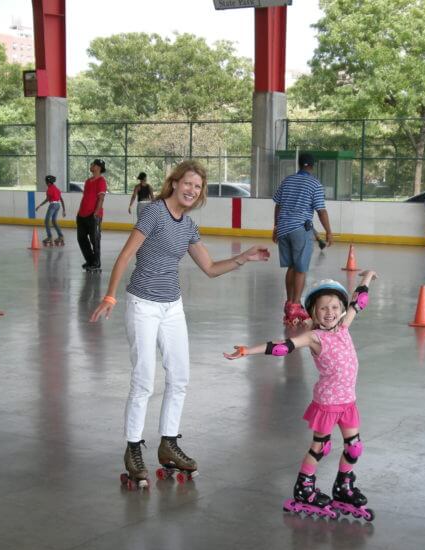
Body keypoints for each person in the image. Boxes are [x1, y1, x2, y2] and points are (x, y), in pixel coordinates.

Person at [90, 160, 270, 489]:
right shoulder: (154, 213)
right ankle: (133, 450)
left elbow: (211, 268)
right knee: (144, 379)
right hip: (142, 304)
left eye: (198, 187)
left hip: (172, 307)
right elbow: (125, 256)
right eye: (188, 183)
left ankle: (168, 443)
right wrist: (110, 296)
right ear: (174, 183)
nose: (192, 190)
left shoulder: (187, 226)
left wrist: (243, 257)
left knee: (180, 377)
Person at [223, 271, 378, 521]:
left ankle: (343, 488)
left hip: (348, 401)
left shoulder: (344, 326)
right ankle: (304, 489)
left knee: (355, 447)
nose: (330, 312)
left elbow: (358, 301)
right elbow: (282, 346)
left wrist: (368, 277)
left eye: (335, 307)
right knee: (321, 447)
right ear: (314, 313)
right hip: (328, 403)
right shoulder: (314, 337)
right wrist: (247, 351)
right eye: (323, 308)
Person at [273, 152, 334, 326]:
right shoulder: (315, 184)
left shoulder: (287, 181)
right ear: (312, 166)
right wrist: (329, 231)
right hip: (300, 230)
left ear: (299, 164)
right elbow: (321, 210)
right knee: (301, 268)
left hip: (284, 228)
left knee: (291, 266)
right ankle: (295, 304)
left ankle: (289, 303)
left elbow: (278, 205)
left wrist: (276, 227)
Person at [77, 159, 107, 271]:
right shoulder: (88, 181)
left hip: (94, 215)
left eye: (93, 164)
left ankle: (96, 263)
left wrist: (96, 213)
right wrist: (79, 212)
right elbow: (85, 197)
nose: (91, 165)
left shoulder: (101, 181)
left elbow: (101, 198)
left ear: (98, 168)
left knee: (95, 239)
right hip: (82, 214)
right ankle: (89, 260)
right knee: (81, 239)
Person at [34, 174, 67, 246]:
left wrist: (40, 205)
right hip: (58, 205)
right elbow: (61, 199)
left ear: (48, 182)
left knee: (46, 221)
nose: (45, 183)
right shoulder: (56, 189)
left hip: (52, 205)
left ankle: (49, 237)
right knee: (54, 221)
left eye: (46, 182)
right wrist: (64, 210)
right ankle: (61, 236)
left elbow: (47, 199)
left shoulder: (49, 190)